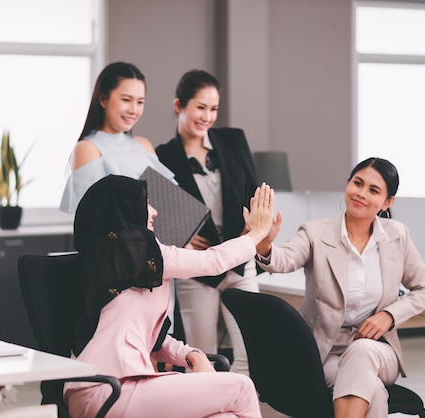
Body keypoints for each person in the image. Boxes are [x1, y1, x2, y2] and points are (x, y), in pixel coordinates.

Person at [63, 175, 275, 418]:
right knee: (242, 386)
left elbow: (154, 338)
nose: (153, 212)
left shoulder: (127, 262)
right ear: (126, 209)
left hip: (123, 388)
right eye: (146, 203)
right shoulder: (132, 250)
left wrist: (191, 354)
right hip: (104, 389)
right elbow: (212, 261)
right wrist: (257, 233)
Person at [254, 157, 425, 418]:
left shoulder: (398, 235)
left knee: (362, 351)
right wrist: (264, 245)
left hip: (378, 349)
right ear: (348, 184)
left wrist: (388, 316)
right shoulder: (315, 233)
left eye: (373, 190)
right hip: (327, 354)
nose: (361, 193)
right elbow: (285, 258)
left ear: (388, 202)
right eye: (357, 183)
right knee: (371, 390)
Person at [156, 69, 259, 375]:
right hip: (197, 268)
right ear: (179, 106)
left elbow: (254, 192)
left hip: (240, 260)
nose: (207, 116)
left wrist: (250, 234)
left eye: (213, 108)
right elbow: (156, 214)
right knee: (203, 358)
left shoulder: (233, 141)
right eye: (200, 107)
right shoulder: (162, 157)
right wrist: (179, 239)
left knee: (251, 351)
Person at [59, 61, 175, 213]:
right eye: (126, 100)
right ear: (103, 99)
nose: (133, 110)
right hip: (123, 236)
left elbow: (167, 204)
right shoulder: (88, 148)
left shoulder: (143, 144)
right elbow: (94, 216)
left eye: (140, 102)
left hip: (157, 236)